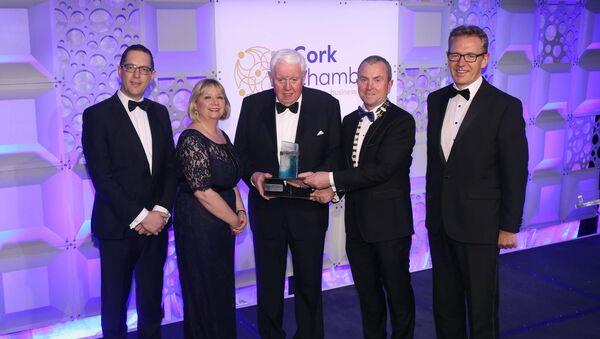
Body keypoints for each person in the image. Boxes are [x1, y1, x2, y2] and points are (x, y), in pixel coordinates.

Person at [301, 55, 416, 339]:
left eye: (377, 80)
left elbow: (381, 171)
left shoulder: (402, 121)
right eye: (363, 79)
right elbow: (346, 168)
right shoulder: (349, 120)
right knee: (368, 297)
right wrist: (332, 191)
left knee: (398, 295)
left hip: (390, 227)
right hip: (357, 227)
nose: (369, 86)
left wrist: (328, 179)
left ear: (389, 84)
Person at [425, 25, 528, 338]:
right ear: (447, 57)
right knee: (445, 308)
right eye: (455, 54)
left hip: (481, 227)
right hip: (441, 223)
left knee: (482, 313)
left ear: (485, 59)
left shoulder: (505, 106)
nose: (461, 62)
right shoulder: (435, 99)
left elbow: (515, 170)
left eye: (470, 55)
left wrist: (509, 226)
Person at [234, 48, 342, 339]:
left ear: (305, 77)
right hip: (267, 209)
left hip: (308, 208)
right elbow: (240, 154)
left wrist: (320, 179)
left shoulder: (327, 105)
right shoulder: (252, 105)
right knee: (268, 283)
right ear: (270, 78)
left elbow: (336, 153)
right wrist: (253, 175)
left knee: (309, 283)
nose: (288, 87)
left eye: (294, 79)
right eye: (280, 79)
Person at [82, 44, 177, 338]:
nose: (137, 74)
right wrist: (140, 217)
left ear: (153, 75)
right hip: (117, 227)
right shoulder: (96, 115)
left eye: (144, 69)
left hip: (156, 229)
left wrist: (160, 211)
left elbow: (170, 169)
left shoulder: (160, 113)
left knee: (151, 304)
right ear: (120, 70)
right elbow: (103, 178)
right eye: (131, 67)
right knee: (114, 307)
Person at [173, 78, 246, 338]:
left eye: (219, 97)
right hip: (199, 223)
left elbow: (231, 181)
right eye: (207, 97)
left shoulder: (222, 135)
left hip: (222, 221)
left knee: (220, 286)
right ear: (196, 104)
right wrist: (233, 219)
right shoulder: (191, 138)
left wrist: (241, 212)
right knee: (203, 288)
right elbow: (202, 191)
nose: (215, 102)